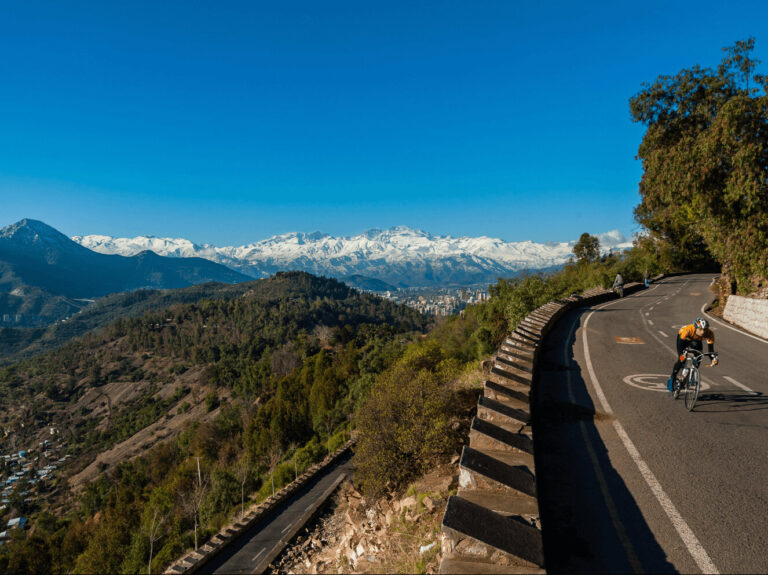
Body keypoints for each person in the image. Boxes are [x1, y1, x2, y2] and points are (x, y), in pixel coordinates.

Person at [667, 317, 719, 391]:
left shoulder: (710, 334)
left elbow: (710, 351)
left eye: (705, 329)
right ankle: (673, 377)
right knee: (682, 359)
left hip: (696, 341)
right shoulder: (688, 330)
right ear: (695, 328)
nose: (703, 332)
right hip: (683, 339)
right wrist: (683, 354)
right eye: (700, 329)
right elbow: (681, 345)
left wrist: (713, 359)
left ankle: (693, 372)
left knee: (699, 356)